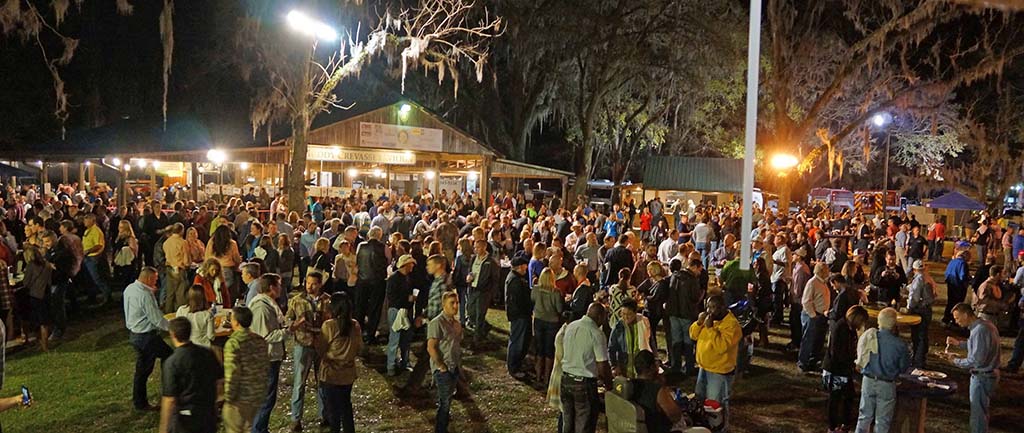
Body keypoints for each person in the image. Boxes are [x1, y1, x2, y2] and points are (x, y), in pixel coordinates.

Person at [158, 317, 224, 433]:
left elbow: (170, 399)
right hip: (207, 414)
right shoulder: (207, 353)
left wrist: (163, 428)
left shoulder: (172, 363)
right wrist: (214, 404)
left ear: (172, 335)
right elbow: (219, 381)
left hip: (186, 420)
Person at [944, 303, 1001, 433]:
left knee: (978, 415)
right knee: (981, 411)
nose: (956, 322)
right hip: (989, 374)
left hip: (982, 376)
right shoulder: (985, 325)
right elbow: (978, 346)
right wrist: (959, 343)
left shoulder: (979, 330)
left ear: (965, 314)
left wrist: (955, 360)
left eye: (957, 318)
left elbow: (976, 360)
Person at [690, 294, 742, 431]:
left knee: (715, 405)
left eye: (713, 307)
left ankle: (719, 428)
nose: (709, 311)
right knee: (700, 400)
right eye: (708, 306)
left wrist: (710, 328)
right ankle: (703, 425)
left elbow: (721, 348)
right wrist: (698, 323)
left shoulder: (732, 325)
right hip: (704, 367)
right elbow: (693, 335)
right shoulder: (709, 319)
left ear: (723, 307)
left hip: (719, 370)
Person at [854, 308, 911, 433]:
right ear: (894, 323)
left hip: (868, 380)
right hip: (886, 384)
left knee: (864, 417)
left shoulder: (869, 337)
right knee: (882, 422)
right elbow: (904, 367)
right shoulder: (900, 345)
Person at [123, 266, 172, 411]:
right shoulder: (145, 295)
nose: (156, 283)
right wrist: (173, 328)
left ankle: (140, 401)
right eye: (155, 279)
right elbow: (156, 318)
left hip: (135, 334)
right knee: (167, 357)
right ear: (149, 278)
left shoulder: (129, 289)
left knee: (143, 369)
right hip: (146, 336)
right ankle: (166, 391)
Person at [287, 271, 330, 432]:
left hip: (320, 344)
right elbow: (288, 319)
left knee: (322, 381)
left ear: (320, 284)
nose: (310, 287)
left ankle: (324, 415)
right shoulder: (297, 301)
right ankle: (295, 419)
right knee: (299, 382)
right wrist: (297, 323)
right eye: (308, 283)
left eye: (313, 284)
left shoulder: (327, 300)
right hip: (303, 343)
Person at [560, 303, 613, 433]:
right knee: (584, 424)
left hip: (566, 379)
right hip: (583, 384)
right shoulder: (596, 333)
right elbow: (602, 364)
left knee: (568, 422)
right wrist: (609, 384)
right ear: (600, 317)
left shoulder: (571, 326)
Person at [314, 292, 361, 433]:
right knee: (346, 406)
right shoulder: (355, 325)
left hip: (331, 373)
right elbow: (359, 347)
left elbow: (321, 348)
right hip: (348, 373)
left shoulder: (329, 326)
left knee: (332, 410)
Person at [823, 306, 869, 433]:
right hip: (835, 370)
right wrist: (852, 363)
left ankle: (844, 424)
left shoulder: (849, 329)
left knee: (848, 396)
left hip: (843, 369)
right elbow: (837, 353)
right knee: (835, 398)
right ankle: (832, 427)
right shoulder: (840, 329)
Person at [249, 274, 286, 433]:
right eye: (278, 285)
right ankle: (258, 429)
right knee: (266, 399)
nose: (281, 288)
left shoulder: (268, 304)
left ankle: (261, 428)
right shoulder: (261, 308)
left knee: (267, 398)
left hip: (270, 357)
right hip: (266, 358)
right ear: (271, 287)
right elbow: (265, 336)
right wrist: (289, 330)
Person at [223, 307, 269, 433]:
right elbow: (265, 366)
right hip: (256, 395)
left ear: (236, 322)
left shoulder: (234, 343)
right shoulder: (260, 340)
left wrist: (228, 397)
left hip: (239, 399)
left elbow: (232, 374)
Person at [427, 291, 463, 433]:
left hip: (453, 367)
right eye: (451, 303)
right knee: (445, 402)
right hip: (443, 369)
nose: (455, 306)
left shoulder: (456, 324)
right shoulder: (437, 323)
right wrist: (441, 366)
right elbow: (431, 347)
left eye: (457, 303)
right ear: (443, 305)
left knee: (447, 401)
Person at [666, 258, 701, 375]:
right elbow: (695, 297)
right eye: (699, 269)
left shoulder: (674, 276)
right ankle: (689, 367)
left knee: (676, 341)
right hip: (686, 314)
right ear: (695, 267)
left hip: (674, 313)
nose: (699, 272)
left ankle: (676, 366)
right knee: (688, 342)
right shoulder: (692, 280)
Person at [355, 227, 388, 343]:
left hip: (362, 280)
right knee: (375, 309)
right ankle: (370, 335)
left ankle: (358, 333)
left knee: (360, 307)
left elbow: (357, 261)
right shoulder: (384, 247)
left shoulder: (361, 246)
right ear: (379, 235)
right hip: (377, 282)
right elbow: (388, 262)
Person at [386, 254, 416, 376]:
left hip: (405, 311)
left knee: (405, 339)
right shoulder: (394, 279)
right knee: (395, 338)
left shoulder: (407, 277)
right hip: (396, 311)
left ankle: (404, 362)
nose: (413, 266)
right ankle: (391, 366)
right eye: (411, 264)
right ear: (405, 265)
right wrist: (407, 299)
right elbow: (392, 298)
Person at [533, 268, 565, 383]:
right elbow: (559, 309)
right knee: (549, 350)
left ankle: (537, 375)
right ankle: (547, 377)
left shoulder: (536, 289)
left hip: (538, 320)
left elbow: (532, 300)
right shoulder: (556, 292)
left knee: (539, 348)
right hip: (552, 322)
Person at [799, 263, 831, 373]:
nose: (828, 272)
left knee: (817, 340)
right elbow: (806, 301)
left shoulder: (822, 283)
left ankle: (812, 361)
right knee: (808, 340)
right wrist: (813, 315)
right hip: (812, 316)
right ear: (822, 271)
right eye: (826, 270)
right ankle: (803, 362)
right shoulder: (812, 283)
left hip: (820, 315)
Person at [609, 298, 652, 379]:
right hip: (625, 367)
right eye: (623, 314)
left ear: (635, 312)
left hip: (642, 367)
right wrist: (614, 366)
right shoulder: (618, 327)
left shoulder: (644, 322)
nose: (626, 317)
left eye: (629, 314)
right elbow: (611, 348)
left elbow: (651, 342)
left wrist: (655, 359)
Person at [467, 239, 499, 344]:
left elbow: (495, 279)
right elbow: (470, 271)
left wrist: (492, 293)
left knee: (479, 315)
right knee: (471, 314)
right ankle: (486, 327)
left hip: (484, 292)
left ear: (484, 247)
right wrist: (469, 277)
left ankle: (477, 339)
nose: (475, 250)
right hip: (472, 289)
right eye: (475, 247)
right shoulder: (473, 259)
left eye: (478, 247)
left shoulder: (491, 262)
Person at [505, 256, 532, 379]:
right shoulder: (515, 281)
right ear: (520, 266)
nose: (527, 268)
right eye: (525, 266)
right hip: (519, 316)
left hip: (520, 315)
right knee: (517, 341)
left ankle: (517, 364)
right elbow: (518, 300)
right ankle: (513, 367)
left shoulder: (516, 278)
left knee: (519, 341)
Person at [905, 260, 936, 367]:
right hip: (928, 309)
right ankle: (922, 357)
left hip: (920, 310)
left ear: (914, 270)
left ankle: (918, 360)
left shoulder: (918, 279)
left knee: (918, 336)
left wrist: (909, 308)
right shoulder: (928, 277)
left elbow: (914, 297)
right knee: (924, 334)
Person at [22, 245, 52, 351]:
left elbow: (26, 283)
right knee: (45, 322)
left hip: (35, 296)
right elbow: (49, 280)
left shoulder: (30, 266)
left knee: (38, 321)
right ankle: (45, 345)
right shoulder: (47, 264)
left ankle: (41, 344)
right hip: (46, 294)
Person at [82, 213, 111, 305]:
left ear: (92, 221)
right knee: (90, 279)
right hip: (88, 257)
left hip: (93, 257)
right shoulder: (88, 230)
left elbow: (99, 245)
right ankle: (93, 297)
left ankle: (107, 296)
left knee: (97, 278)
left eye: (86, 220)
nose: (84, 222)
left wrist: (88, 251)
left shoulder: (96, 231)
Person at [163, 223, 190, 313]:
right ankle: (180, 315)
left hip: (169, 267)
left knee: (170, 294)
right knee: (180, 294)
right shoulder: (182, 242)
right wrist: (187, 265)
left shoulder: (167, 242)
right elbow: (186, 259)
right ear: (181, 230)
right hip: (180, 268)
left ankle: (168, 314)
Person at [943, 245, 971, 326]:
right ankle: (955, 320)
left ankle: (946, 318)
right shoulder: (963, 264)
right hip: (958, 287)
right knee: (958, 304)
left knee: (950, 302)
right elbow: (962, 276)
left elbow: (946, 273)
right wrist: (967, 281)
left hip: (950, 285)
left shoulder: (952, 261)